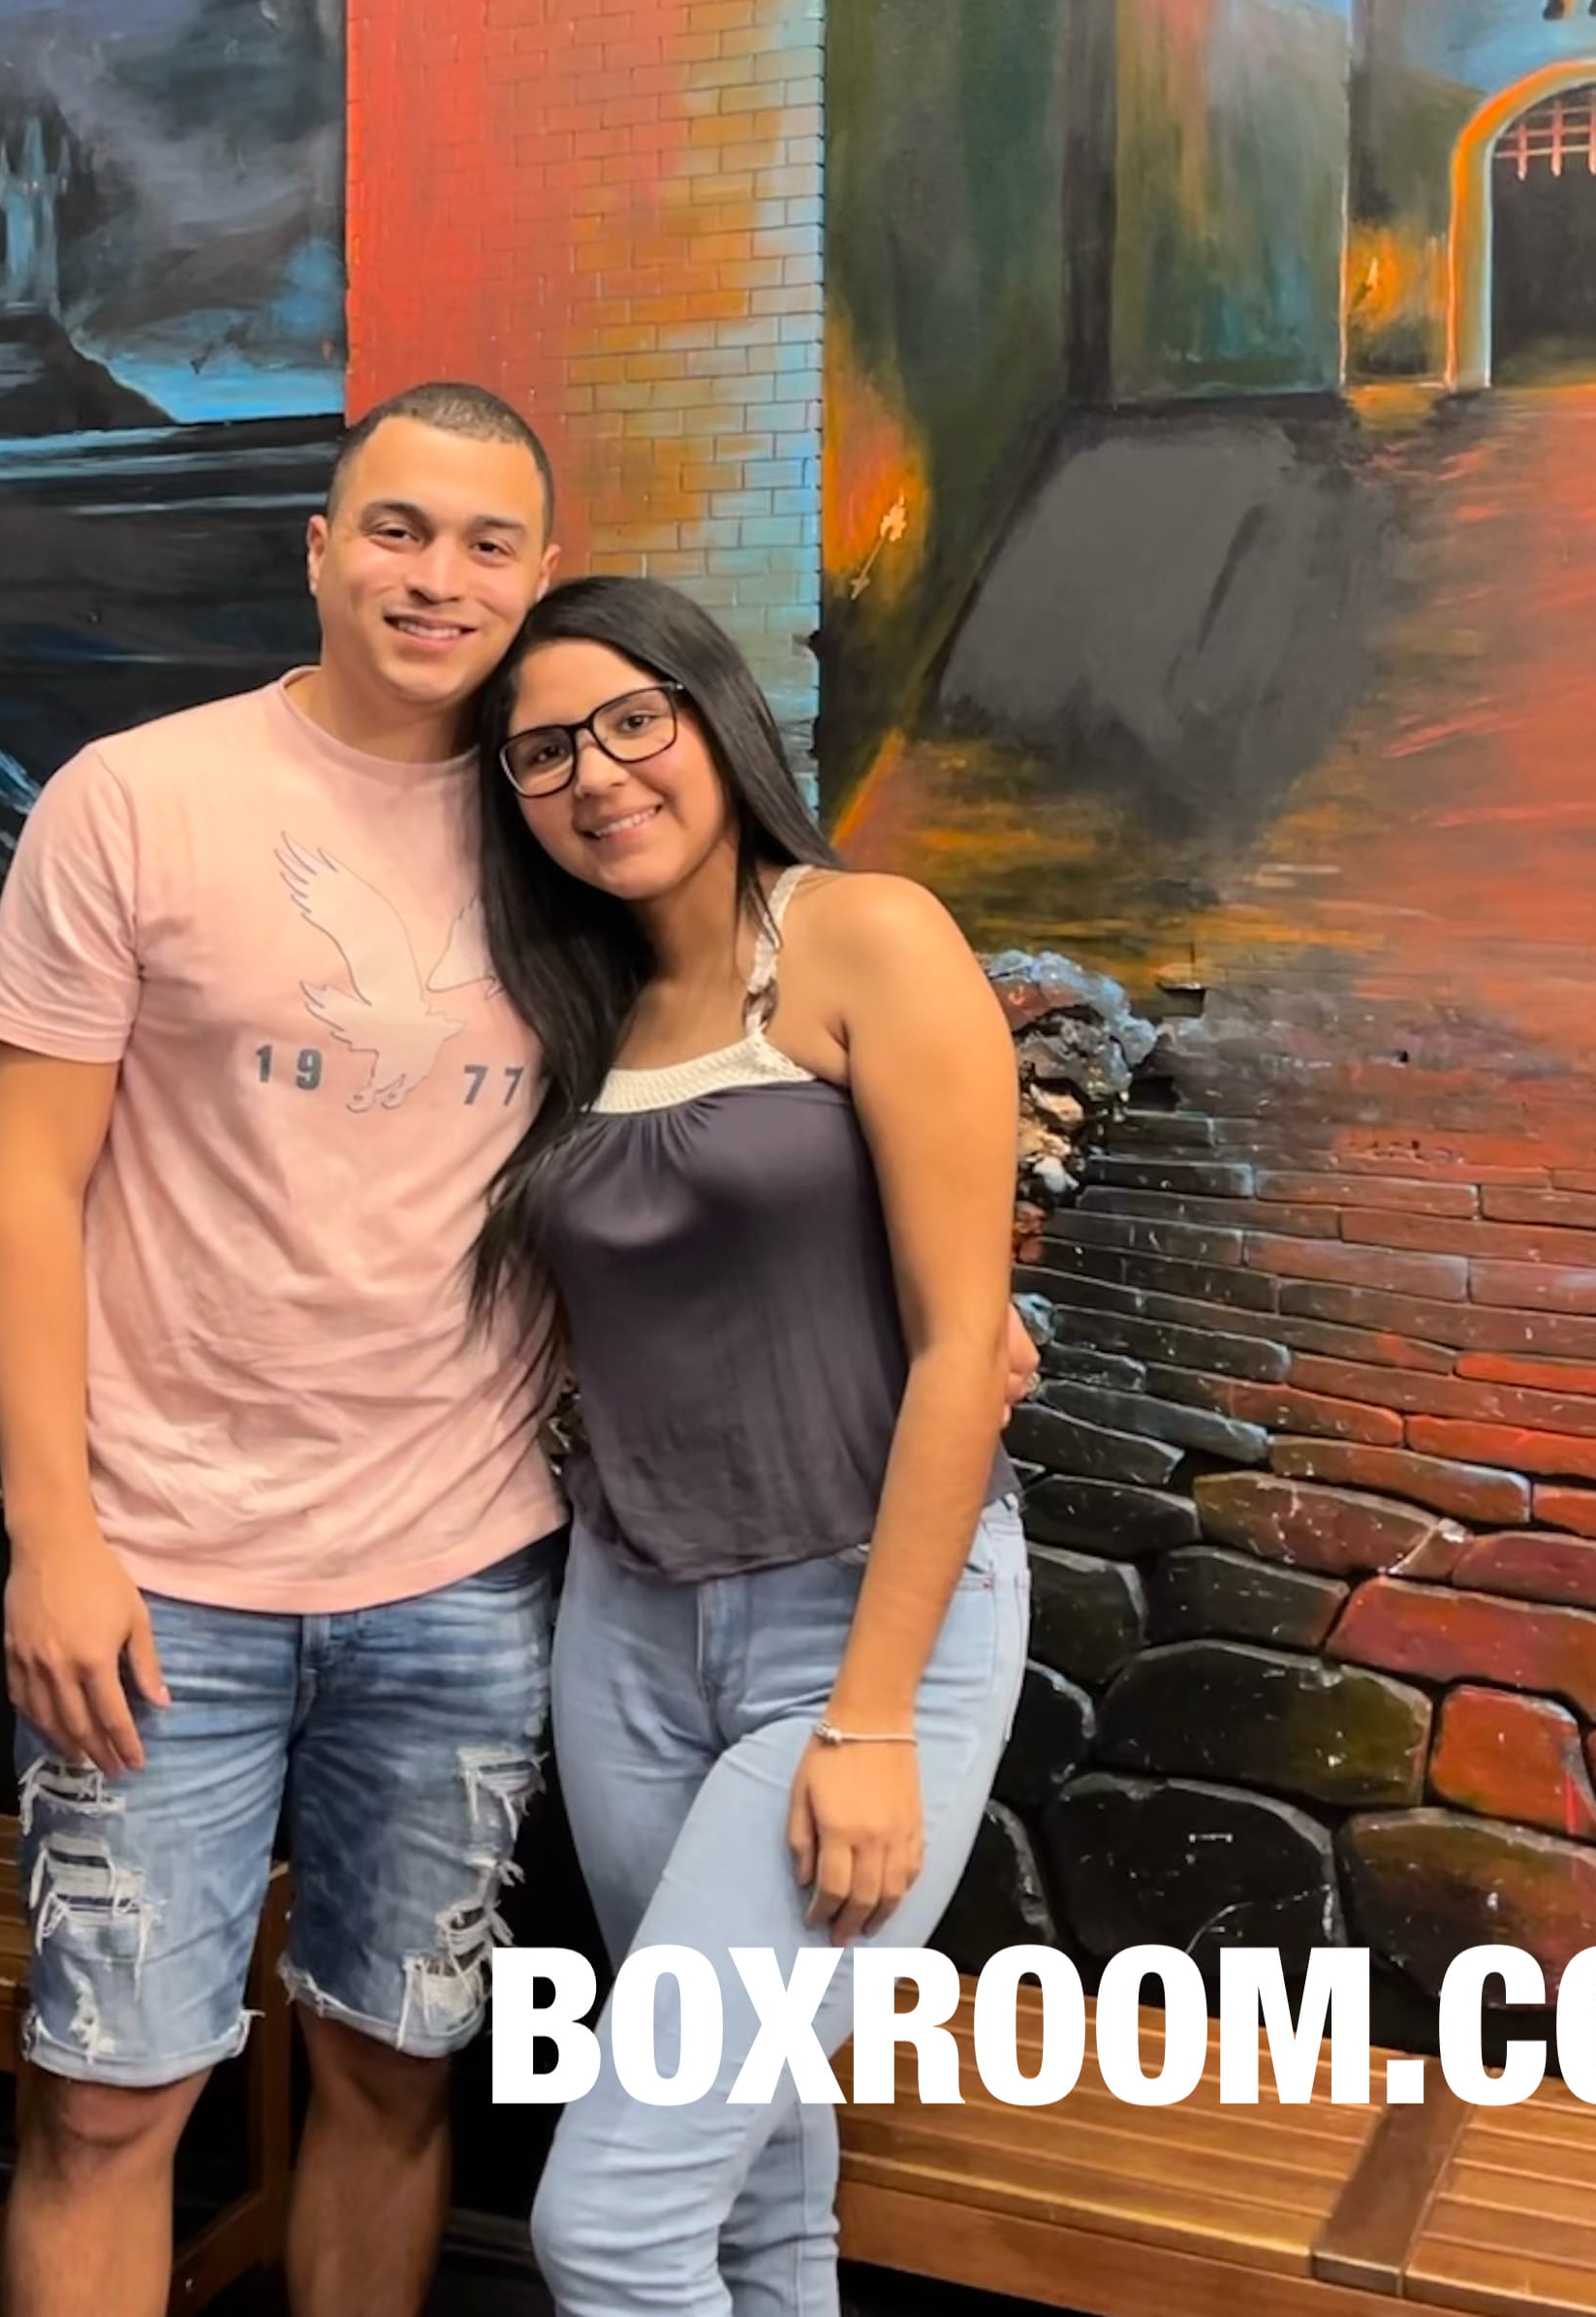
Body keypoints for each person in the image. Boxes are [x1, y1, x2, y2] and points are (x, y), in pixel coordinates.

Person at [0, 389, 1038, 2317]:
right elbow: (25, 1184)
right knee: (110, 2103)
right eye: (395, 527)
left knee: (413, 2090)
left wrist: (957, 1350)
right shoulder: (150, 802)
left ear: (546, 574)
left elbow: (865, 1236)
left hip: (474, 1583)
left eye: (484, 543)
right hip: (195, 1577)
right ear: (320, 546)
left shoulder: (620, 871)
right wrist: (53, 1531)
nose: (434, 575)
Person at [468, 577, 1028, 2317]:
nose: (595, 772)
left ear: (715, 719)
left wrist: (869, 1718)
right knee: (757, 2170)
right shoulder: (579, 1013)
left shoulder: (864, 938)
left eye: (632, 719)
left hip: (858, 1631)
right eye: (543, 751)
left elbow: (963, 1348)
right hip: (627, 1636)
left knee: (612, 2224)